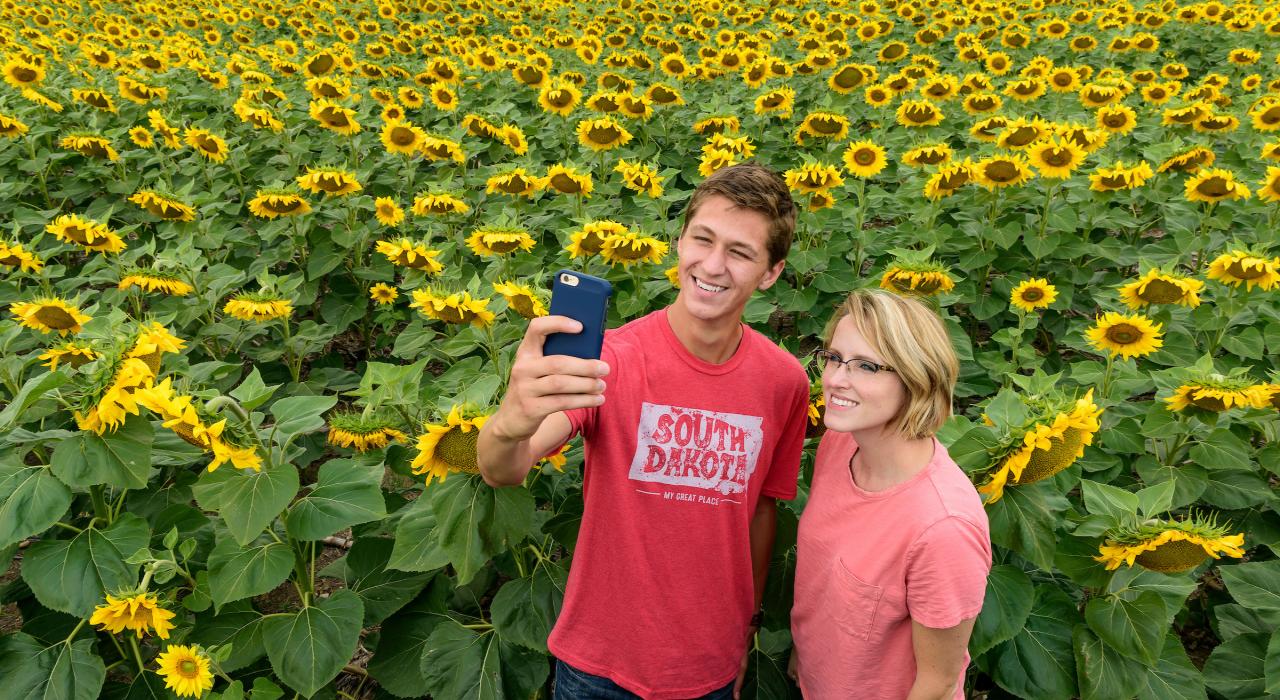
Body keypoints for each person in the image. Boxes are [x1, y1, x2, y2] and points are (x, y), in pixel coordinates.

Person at [478, 163, 811, 699]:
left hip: (711, 663)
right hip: (600, 664)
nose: (713, 264)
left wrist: (746, 626)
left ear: (770, 272)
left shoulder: (784, 383)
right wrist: (511, 423)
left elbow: (761, 509)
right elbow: (503, 469)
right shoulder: (612, 359)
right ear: (680, 243)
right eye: (702, 239)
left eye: (741, 252)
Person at [789, 289, 991, 699]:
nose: (835, 379)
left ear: (917, 378)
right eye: (833, 357)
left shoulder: (943, 528)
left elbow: (936, 683)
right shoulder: (842, 444)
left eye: (866, 366)